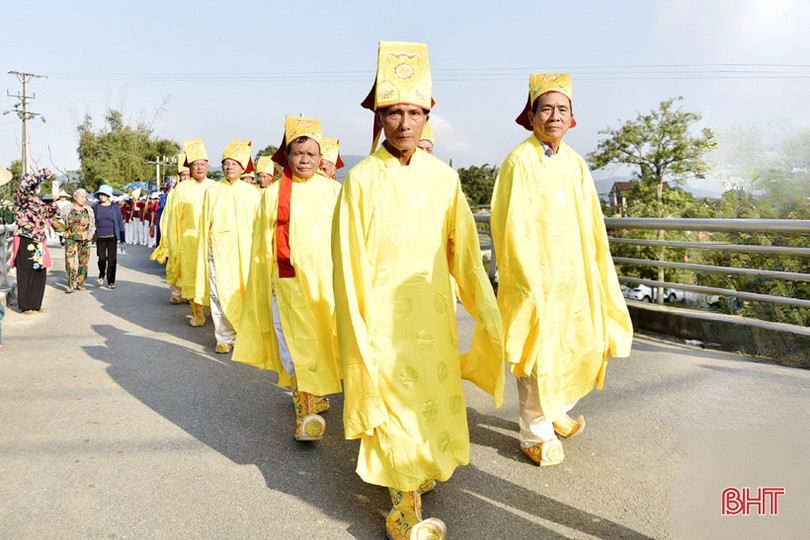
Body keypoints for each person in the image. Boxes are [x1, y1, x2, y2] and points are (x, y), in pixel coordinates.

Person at [332, 41, 504, 540]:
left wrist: (485, 312)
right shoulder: (360, 181)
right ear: (379, 118)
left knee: (430, 399)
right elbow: (347, 263)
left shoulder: (445, 179)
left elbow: (466, 256)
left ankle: (416, 472)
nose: (405, 124)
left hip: (432, 317)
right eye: (394, 113)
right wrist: (360, 326)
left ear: (428, 117)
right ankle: (403, 508)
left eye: (414, 113)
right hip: (383, 320)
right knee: (392, 403)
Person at [490, 73, 634, 467]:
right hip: (536, 280)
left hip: (575, 278)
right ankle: (535, 433)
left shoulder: (575, 163)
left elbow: (592, 224)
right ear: (531, 115)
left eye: (562, 109)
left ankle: (556, 408)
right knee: (538, 353)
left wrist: (597, 273)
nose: (554, 116)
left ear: (572, 118)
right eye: (546, 109)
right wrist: (526, 280)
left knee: (581, 345)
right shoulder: (520, 161)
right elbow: (511, 225)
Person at [234, 116, 341, 442]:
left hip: (326, 287)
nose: (305, 159)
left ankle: (317, 396)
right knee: (294, 350)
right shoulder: (273, 194)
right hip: (286, 286)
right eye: (298, 153)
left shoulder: (334, 191)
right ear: (287, 156)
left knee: (325, 344)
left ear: (320, 156)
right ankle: (304, 414)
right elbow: (261, 246)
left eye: (311, 153)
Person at [194, 140, 260, 353]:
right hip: (219, 252)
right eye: (226, 163)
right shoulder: (212, 191)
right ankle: (223, 338)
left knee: (245, 292)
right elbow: (204, 224)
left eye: (234, 163)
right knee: (218, 293)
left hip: (246, 251)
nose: (230, 167)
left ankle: (246, 335)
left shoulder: (252, 193)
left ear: (243, 168)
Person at [152, 139, 214, 320]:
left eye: (202, 164)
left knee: (211, 276)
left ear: (208, 166)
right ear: (190, 168)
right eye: (195, 165)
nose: (199, 168)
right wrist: (173, 243)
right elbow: (173, 219)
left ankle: (214, 310)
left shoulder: (215, 187)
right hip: (189, 241)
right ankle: (197, 311)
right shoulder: (181, 189)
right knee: (192, 275)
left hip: (210, 241)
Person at [10, 168, 58, 314]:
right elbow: (24, 185)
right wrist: (43, 174)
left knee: (39, 271)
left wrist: (54, 202)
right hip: (26, 238)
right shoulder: (21, 198)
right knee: (26, 272)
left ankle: (36, 304)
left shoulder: (37, 201)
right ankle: (25, 305)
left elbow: (48, 213)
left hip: (38, 240)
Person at [59, 188, 95, 293]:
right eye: (82, 197)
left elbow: (92, 224)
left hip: (84, 240)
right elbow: (60, 220)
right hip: (70, 239)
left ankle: (81, 282)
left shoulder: (89, 209)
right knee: (70, 262)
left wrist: (91, 233)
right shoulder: (66, 209)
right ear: (75, 197)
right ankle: (71, 284)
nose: (84, 199)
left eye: (85, 197)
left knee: (83, 261)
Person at [93, 184, 126, 289]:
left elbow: (120, 223)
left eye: (103, 194)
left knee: (112, 259)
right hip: (100, 237)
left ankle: (111, 281)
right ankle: (101, 273)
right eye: (100, 194)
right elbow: (92, 223)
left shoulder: (115, 207)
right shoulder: (95, 207)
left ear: (108, 196)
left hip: (112, 236)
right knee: (102, 258)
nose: (101, 196)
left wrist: (123, 239)